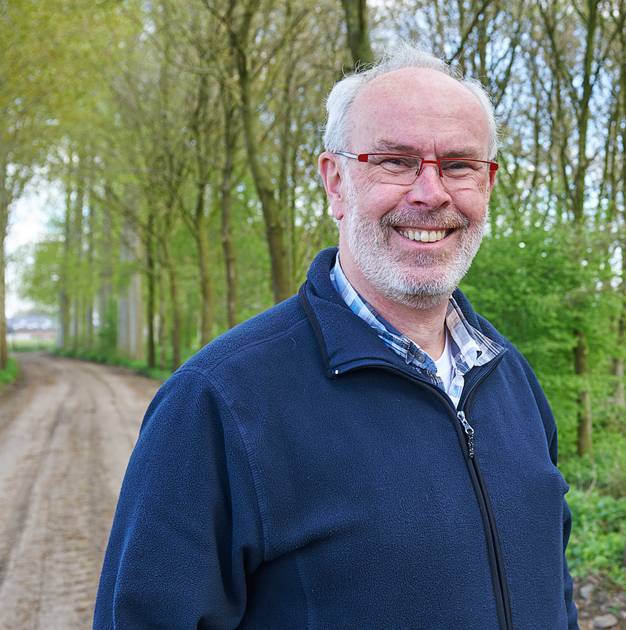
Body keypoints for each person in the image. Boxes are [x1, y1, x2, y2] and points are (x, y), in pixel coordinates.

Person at [94, 46, 579, 630]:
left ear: (489, 182)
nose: (431, 193)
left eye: (458, 165)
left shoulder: (510, 379)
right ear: (336, 182)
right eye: (395, 162)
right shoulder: (218, 401)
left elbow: (556, 590)